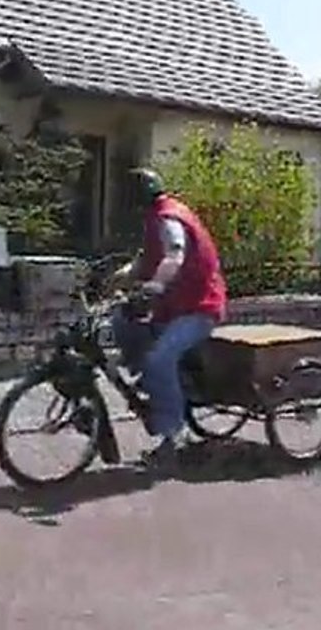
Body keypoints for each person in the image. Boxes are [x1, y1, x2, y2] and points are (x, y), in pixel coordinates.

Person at [111, 168, 227, 469]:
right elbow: (145, 259)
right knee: (122, 322)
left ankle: (173, 438)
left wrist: (156, 285)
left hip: (199, 308)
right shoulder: (156, 218)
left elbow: (174, 253)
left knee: (159, 360)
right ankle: (157, 386)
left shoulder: (169, 218)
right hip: (174, 308)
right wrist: (117, 278)